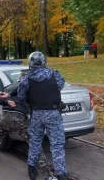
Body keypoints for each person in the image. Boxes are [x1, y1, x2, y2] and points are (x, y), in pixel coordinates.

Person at [0, 71, 55, 180]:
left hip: (5, 118)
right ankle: (48, 175)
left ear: (18, 78)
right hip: (20, 120)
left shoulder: (8, 87)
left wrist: (8, 102)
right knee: (35, 145)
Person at [17, 51, 67, 180]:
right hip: (53, 113)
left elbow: (21, 96)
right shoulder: (55, 75)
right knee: (57, 145)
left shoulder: (26, 78)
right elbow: (60, 86)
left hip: (36, 114)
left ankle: (31, 169)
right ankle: (61, 174)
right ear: (44, 62)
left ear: (30, 63)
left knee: (35, 142)